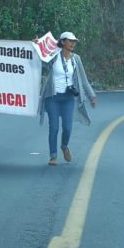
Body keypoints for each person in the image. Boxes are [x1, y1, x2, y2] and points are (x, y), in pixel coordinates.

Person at [37, 31, 97, 165]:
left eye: (74, 41)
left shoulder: (76, 59)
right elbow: (39, 61)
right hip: (52, 97)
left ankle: (64, 146)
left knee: (67, 127)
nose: (73, 44)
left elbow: (84, 80)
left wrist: (92, 96)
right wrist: (36, 47)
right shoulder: (53, 57)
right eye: (70, 41)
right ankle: (53, 156)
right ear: (63, 42)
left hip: (68, 98)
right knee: (54, 127)